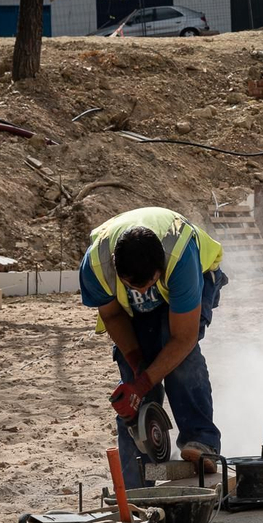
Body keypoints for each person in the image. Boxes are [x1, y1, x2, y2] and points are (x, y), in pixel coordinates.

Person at [80, 206, 227, 488]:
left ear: (160, 270)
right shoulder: (96, 267)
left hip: (198, 277)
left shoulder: (180, 258)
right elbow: (111, 316)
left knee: (178, 360)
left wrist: (146, 379)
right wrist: (138, 373)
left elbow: (182, 338)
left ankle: (202, 440)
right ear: (116, 267)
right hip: (129, 312)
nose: (144, 293)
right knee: (133, 388)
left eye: (149, 285)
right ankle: (136, 481)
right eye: (134, 287)